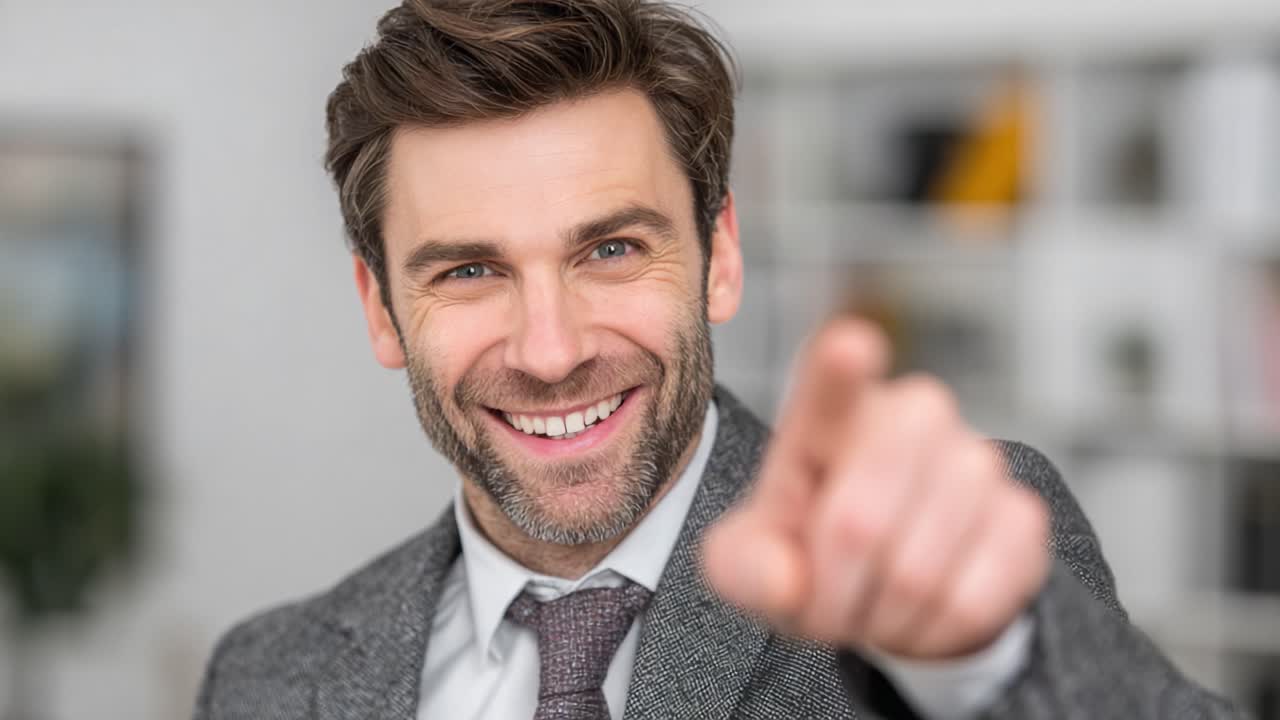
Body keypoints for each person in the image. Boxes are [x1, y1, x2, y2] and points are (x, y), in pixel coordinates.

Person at [193, 1, 1240, 718]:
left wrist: (983, 665)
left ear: (719, 254)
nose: (551, 352)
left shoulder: (932, 569)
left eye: (610, 249)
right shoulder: (265, 677)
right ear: (381, 308)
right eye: (468, 271)